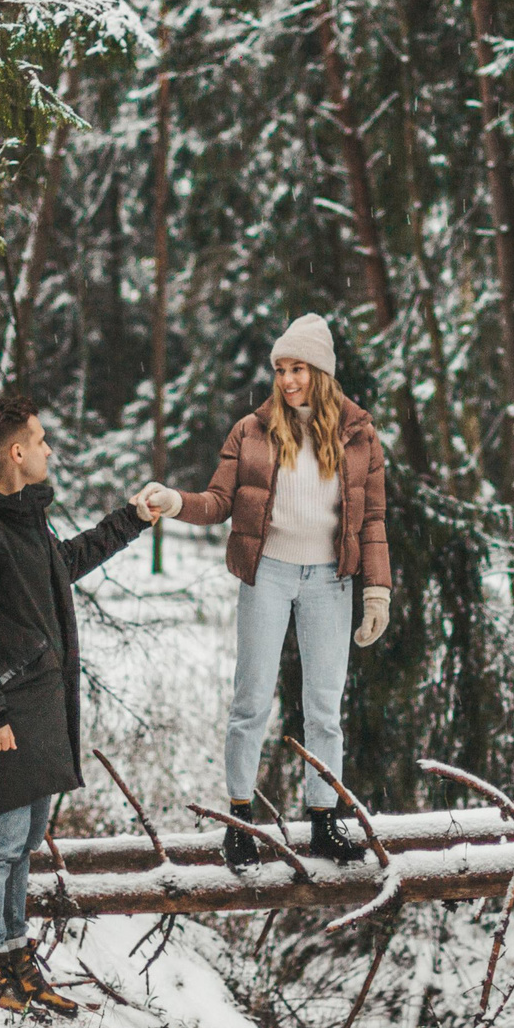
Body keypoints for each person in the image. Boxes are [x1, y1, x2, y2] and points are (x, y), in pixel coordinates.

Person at [0, 394, 159, 1016]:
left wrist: (130, 519)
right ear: (17, 452)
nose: (50, 449)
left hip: (37, 703)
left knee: (24, 838)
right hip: (4, 707)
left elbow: (62, 567)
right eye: (41, 439)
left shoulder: (22, 518)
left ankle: (13, 951)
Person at [141, 314, 392, 870]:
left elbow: (372, 519)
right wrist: (176, 502)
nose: (287, 380)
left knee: (324, 708)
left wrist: (377, 593)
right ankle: (240, 823)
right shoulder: (251, 431)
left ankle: (324, 821)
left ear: (321, 372)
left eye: (297, 368)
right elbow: (218, 501)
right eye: (280, 369)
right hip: (269, 575)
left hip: (331, 580)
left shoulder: (359, 434)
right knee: (251, 702)